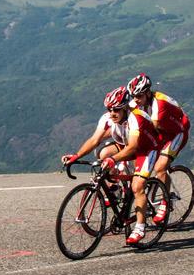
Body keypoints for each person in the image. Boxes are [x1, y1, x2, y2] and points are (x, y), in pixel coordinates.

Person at [62, 86, 161, 245]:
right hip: (125, 144)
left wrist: (114, 160)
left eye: (116, 109)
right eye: (109, 109)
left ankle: (140, 228)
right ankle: (115, 189)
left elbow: (133, 148)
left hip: (146, 149)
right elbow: (95, 140)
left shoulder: (135, 118)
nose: (112, 113)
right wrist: (76, 156)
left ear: (125, 108)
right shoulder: (107, 118)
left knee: (137, 186)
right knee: (103, 155)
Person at [126, 73, 189, 224]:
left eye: (139, 96)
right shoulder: (139, 101)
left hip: (176, 133)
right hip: (163, 131)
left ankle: (165, 203)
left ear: (148, 93)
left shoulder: (158, 106)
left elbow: (152, 128)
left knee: (160, 167)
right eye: (133, 96)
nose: (136, 100)